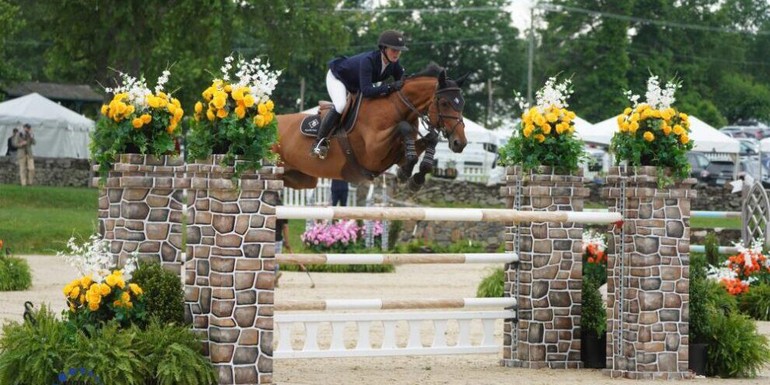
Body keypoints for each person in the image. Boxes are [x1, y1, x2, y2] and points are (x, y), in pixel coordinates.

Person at [311, 30, 409, 159]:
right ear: (384, 49)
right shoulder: (368, 61)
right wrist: (390, 86)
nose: (397, 54)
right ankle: (319, 142)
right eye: (394, 50)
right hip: (338, 77)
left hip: (356, 83)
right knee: (341, 105)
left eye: (399, 50)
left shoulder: (394, 65)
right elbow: (367, 91)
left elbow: (402, 83)